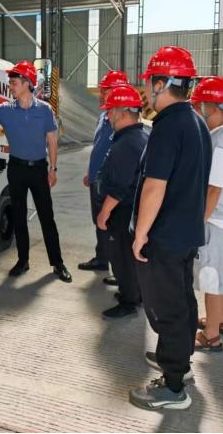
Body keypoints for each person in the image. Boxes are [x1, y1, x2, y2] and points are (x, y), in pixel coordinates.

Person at [128, 46, 212, 411]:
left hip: (165, 234)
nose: (146, 89)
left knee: (167, 307)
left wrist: (140, 234)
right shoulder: (195, 121)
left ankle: (173, 387)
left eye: (150, 82)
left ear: (162, 83)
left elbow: (154, 186)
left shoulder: (167, 126)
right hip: (186, 231)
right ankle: (178, 360)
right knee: (183, 300)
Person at [0, 60, 72, 283]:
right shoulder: (5, 110)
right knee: (19, 216)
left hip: (39, 169)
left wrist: (53, 169)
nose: (10, 87)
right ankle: (23, 260)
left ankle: (58, 263)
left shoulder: (44, 110)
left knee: (46, 217)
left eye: (14, 83)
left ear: (27, 83)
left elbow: (52, 141)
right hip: (16, 168)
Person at [190, 76, 223, 351]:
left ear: (211, 106)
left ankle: (210, 336)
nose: (197, 109)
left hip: (215, 219)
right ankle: (220, 319)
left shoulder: (221, 142)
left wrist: (198, 222)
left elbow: (213, 189)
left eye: (199, 104)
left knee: (211, 275)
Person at [95, 83, 149, 318]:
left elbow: (120, 186)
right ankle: (136, 293)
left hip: (123, 210)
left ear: (122, 112)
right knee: (130, 257)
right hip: (134, 209)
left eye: (110, 111)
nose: (107, 116)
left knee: (123, 257)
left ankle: (129, 301)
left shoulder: (127, 143)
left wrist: (104, 212)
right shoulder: (140, 136)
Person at [79, 71, 128, 277]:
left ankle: (120, 270)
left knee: (112, 224)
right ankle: (102, 258)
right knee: (98, 221)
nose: (101, 94)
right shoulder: (103, 116)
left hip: (109, 181)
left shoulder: (122, 119)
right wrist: (90, 172)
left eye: (105, 91)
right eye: (101, 90)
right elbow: (99, 146)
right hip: (96, 179)